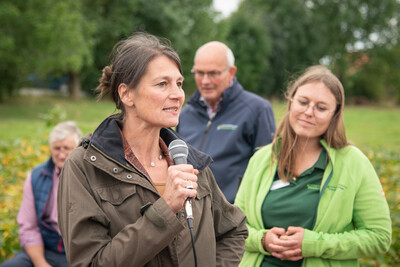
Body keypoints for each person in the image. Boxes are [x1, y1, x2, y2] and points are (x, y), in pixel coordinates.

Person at [57, 32, 248, 267]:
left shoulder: (188, 160)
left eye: (179, 83)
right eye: (162, 84)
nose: (178, 94)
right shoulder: (84, 165)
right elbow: (90, 263)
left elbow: (234, 229)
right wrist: (165, 209)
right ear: (126, 94)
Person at [234, 65, 392, 266]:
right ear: (291, 103)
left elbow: (379, 237)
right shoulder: (262, 159)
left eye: (321, 108)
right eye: (303, 102)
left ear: (335, 115)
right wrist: (262, 240)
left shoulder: (354, 163)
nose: (309, 112)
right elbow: (235, 227)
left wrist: (313, 244)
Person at [176, 41, 276, 203]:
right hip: (192, 214)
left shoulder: (258, 110)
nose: (205, 81)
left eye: (213, 73)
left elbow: (267, 170)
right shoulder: (184, 114)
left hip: (233, 214)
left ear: (231, 72)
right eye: (200, 73)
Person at [0, 121, 82, 267]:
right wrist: (41, 263)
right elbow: (29, 226)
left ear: (78, 149)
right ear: (50, 149)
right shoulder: (36, 176)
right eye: (57, 148)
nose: (62, 155)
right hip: (45, 250)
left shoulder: (88, 177)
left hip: (78, 253)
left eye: (67, 148)